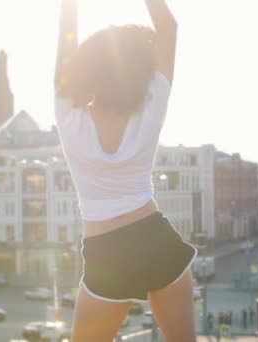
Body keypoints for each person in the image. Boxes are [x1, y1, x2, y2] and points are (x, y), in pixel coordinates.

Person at [55, 0, 197, 341]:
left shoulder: (68, 115)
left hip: (107, 252)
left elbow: (66, 37)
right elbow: (169, 29)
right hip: (155, 238)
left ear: (88, 69)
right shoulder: (151, 105)